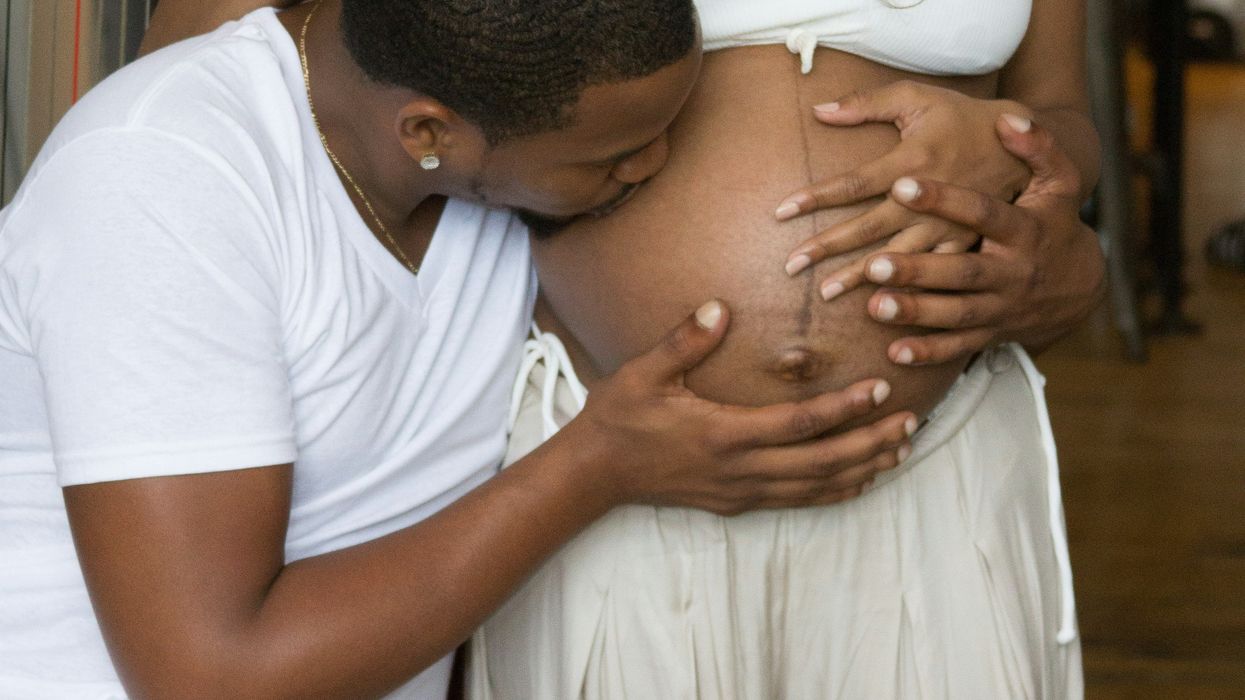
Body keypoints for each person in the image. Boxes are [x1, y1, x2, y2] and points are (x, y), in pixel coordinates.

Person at [141, 0, 1107, 697]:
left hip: (924, 460)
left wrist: (1018, 145)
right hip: (600, 461)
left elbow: (1063, 111)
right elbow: (214, 95)